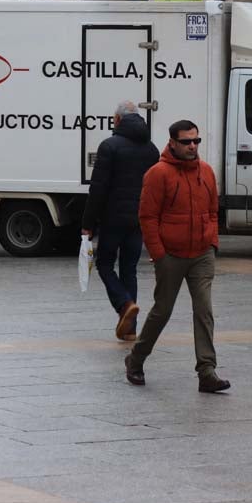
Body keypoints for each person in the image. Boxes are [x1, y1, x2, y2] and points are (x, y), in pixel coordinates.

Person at [124, 119, 229, 393]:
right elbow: (147, 217)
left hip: (202, 253)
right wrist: (159, 254)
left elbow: (213, 210)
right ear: (172, 142)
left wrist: (212, 242)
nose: (192, 146)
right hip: (171, 254)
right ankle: (135, 360)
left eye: (196, 141)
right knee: (162, 311)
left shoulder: (206, 172)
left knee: (204, 310)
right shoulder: (158, 174)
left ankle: (207, 371)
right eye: (186, 142)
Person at [80, 100, 159, 341]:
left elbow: (98, 188)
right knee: (129, 269)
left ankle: (124, 305)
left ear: (117, 120)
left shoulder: (109, 146)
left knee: (105, 265)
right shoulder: (152, 149)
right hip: (139, 220)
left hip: (113, 218)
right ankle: (130, 328)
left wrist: (88, 223)